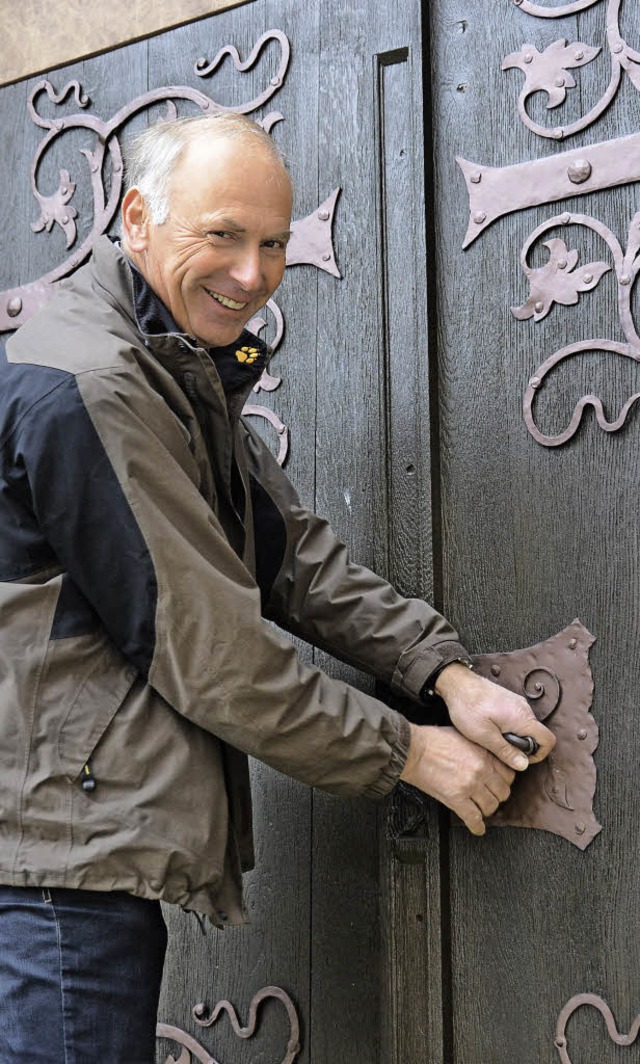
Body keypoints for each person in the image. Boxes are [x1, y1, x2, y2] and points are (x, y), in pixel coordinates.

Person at [0, 112, 554, 1062]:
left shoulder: (160, 363)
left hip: (72, 850)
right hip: (55, 868)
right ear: (137, 219)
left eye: (273, 244)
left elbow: (286, 551)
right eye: (221, 235)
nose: (252, 275)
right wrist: (411, 757)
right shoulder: (95, 382)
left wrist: (442, 672)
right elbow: (208, 650)